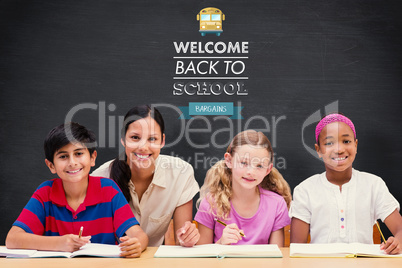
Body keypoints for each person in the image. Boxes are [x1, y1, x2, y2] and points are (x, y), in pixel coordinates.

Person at [5, 122, 148, 258]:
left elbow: (138, 234)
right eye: (63, 156)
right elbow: (12, 239)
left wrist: (137, 244)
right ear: (51, 165)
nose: (72, 162)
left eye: (79, 154)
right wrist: (59, 243)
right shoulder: (45, 193)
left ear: (92, 158)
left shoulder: (108, 190)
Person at [290, 113, 402, 254]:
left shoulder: (373, 185)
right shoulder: (305, 190)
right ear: (318, 150)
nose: (339, 149)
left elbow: (400, 230)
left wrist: (398, 242)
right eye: (329, 143)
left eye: (346, 141)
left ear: (355, 145)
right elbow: (296, 250)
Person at [91, 105, 200, 247]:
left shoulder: (180, 173)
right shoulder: (100, 179)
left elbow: (181, 239)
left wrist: (187, 237)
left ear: (162, 141)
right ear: (123, 139)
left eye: (152, 139)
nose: (143, 147)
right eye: (135, 137)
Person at [195, 130, 291, 245]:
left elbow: (277, 255)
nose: (251, 172)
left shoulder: (277, 204)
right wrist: (220, 244)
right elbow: (202, 258)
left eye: (259, 166)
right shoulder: (210, 203)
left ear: (268, 169)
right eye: (244, 163)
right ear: (229, 161)